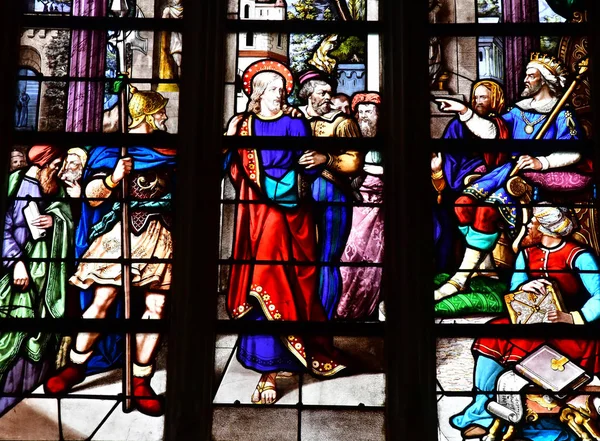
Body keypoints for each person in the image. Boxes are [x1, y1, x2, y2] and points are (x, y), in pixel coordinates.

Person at [44, 87, 176, 417]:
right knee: (103, 299)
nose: (164, 116)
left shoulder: (170, 149)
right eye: (160, 110)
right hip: (119, 232)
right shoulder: (112, 149)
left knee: (156, 306)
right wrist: (115, 176)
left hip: (159, 234)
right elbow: (92, 196)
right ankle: (76, 366)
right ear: (147, 112)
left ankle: (141, 380)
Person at [225, 59, 348, 405]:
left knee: (292, 283)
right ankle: (267, 367)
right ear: (258, 93)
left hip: (293, 215)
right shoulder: (244, 125)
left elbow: (305, 165)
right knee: (266, 279)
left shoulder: (295, 125)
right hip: (257, 216)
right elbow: (231, 167)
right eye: (273, 90)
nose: (280, 95)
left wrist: (296, 176)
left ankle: (294, 355)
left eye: (282, 89)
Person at [434, 53, 587, 300]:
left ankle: (460, 278)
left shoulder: (561, 114)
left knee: (486, 211)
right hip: (507, 171)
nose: (525, 79)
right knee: (462, 204)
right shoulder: (518, 111)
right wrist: (465, 112)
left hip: (534, 178)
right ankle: (483, 264)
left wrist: (541, 161)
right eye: (526, 74)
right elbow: (493, 132)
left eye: (531, 75)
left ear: (545, 80)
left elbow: (575, 152)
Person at [452, 205, 600, 440]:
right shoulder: (526, 254)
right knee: (493, 332)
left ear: (547, 228)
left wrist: (571, 318)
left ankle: (545, 418)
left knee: (526, 342)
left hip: (570, 330)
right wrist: (523, 288)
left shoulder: (579, 256)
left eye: (533, 222)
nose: (528, 226)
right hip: (532, 322)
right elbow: (513, 291)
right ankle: (482, 412)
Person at [0, 145, 73, 415]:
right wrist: (16, 262)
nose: (60, 170)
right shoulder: (15, 183)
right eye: (56, 165)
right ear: (43, 163)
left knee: (38, 341)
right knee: (10, 336)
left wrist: (55, 221)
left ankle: (25, 397)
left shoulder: (56, 187)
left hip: (47, 281)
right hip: (16, 277)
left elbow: (68, 218)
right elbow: (4, 227)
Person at [298, 70, 364, 319]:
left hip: (332, 194)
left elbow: (354, 161)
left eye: (329, 92)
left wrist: (326, 158)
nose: (328, 96)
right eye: (321, 92)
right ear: (308, 94)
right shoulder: (293, 118)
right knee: (297, 259)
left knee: (327, 259)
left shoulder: (342, 123)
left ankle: (322, 321)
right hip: (295, 195)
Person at [432, 80, 510, 272]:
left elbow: (498, 152)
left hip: (494, 184)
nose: (478, 101)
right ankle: (447, 269)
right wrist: (440, 173)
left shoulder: (503, 123)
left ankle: (480, 269)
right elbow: (450, 159)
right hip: (456, 186)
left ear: (496, 99)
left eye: (483, 97)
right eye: (475, 97)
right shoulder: (457, 126)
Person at [336, 92, 384, 320]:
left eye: (369, 112)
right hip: (356, 205)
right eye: (361, 112)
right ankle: (343, 307)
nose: (363, 116)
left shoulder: (388, 138)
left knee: (374, 259)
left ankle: (367, 309)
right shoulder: (352, 138)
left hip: (380, 207)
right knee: (348, 254)